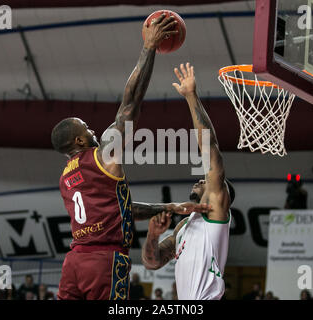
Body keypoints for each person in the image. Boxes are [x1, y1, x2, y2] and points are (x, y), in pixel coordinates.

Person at [52, 14, 195, 301]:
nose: (93, 129)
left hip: (75, 263)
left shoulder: (66, 177)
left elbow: (121, 211)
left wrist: (166, 206)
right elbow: (130, 104)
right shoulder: (102, 155)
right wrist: (149, 48)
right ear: (80, 140)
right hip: (103, 261)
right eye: (87, 128)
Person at [141, 63, 234, 300]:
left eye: (205, 180)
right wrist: (152, 235)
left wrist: (191, 97)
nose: (199, 180)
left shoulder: (215, 214)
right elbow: (153, 263)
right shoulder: (183, 227)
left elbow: (210, 149)